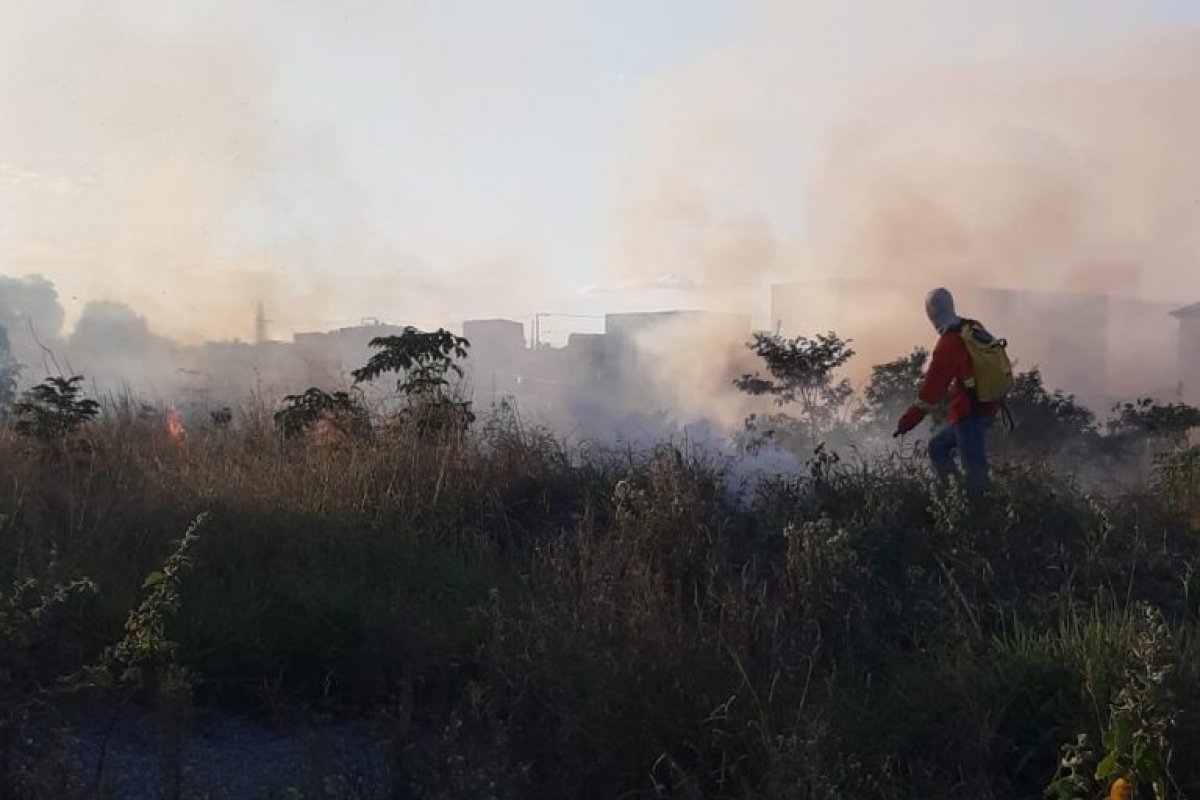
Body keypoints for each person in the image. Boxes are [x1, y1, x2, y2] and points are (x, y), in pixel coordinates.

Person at [894, 287, 1000, 494]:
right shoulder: (972, 326)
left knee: (976, 477)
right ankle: (956, 496)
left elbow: (929, 395)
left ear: (931, 314)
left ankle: (974, 513)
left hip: (970, 414)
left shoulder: (948, 344)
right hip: (989, 406)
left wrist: (905, 423)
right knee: (938, 447)